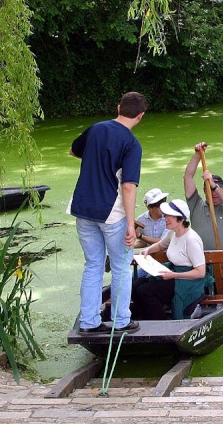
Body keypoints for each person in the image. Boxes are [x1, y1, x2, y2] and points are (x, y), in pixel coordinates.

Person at [69, 91, 147, 334]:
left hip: (82, 207)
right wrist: (130, 226)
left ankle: (89, 322)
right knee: (122, 265)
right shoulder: (131, 144)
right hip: (111, 213)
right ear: (141, 116)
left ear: (118, 108)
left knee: (92, 264)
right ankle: (121, 321)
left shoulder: (96, 129)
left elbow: (73, 151)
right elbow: (128, 186)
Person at [131, 199, 206, 320]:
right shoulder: (173, 233)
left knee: (146, 291)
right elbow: (161, 245)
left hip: (187, 281)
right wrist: (148, 250)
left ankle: (160, 322)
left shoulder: (191, 239)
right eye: (166, 215)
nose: (166, 219)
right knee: (135, 286)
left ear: (180, 219)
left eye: (170, 216)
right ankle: (143, 316)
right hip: (173, 274)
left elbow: (200, 272)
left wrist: (173, 275)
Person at [183, 142, 223, 252]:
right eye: (209, 189)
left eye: (217, 190)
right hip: (200, 261)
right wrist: (198, 155)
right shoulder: (196, 205)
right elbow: (188, 177)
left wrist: (213, 185)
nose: (213, 193)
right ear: (204, 191)